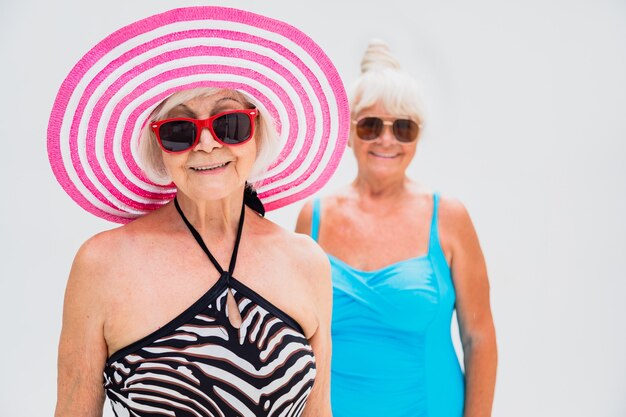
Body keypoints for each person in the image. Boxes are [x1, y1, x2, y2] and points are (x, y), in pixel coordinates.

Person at [50, 7, 349, 417]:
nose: (207, 145)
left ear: (257, 133)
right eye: (180, 131)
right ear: (158, 147)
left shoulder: (306, 261)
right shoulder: (102, 264)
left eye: (229, 124)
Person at [296, 39, 497, 417]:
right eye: (371, 125)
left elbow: (479, 337)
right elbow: (299, 338)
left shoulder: (449, 217)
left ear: (417, 136)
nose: (386, 139)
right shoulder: (314, 217)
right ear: (350, 130)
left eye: (403, 128)